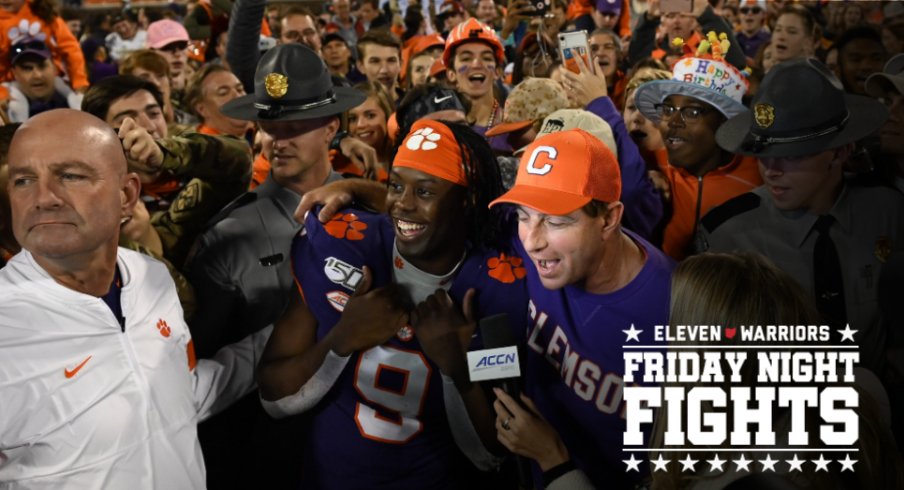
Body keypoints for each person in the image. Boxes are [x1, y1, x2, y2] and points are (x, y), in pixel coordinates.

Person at [0, 108, 269, 488]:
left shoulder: (152, 277)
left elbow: (175, 393)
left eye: (71, 175)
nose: (44, 198)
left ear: (127, 195)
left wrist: (297, 329)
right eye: (23, 180)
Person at [259, 118, 528, 488]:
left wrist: (457, 370)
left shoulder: (498, 287)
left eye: (426, 192)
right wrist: (340, 341)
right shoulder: (341, 244)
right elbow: (272, 397)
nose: (402, 204)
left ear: (467, 201)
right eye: (396, 185)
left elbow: (494, 452)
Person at [183, 43, 365, 488]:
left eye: (295, 124)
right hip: (270, 459)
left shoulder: (373, 211)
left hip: (366, 453)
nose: (277, 140)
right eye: (269, 124)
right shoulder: (228, 236)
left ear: (331, 127)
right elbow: (202, 380)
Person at [487, 129, 675, 489]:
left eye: (556, 221)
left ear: (608, 219)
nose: (532, 240)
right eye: (524, 215)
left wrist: (553, 459)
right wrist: (354, 189)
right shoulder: (535, 245)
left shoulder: (678, 315)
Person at [700, 58, 904, 376]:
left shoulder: (887, 212)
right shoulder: (727, 236)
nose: (772, 170)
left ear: (840, 152)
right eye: (763, 155)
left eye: (793, 155)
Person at [81, 75, 252, 269]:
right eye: (127, 120)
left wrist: (164, 153)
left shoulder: (194, 164)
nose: (148, 127)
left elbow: (240, 157)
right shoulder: (113, 208)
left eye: (154, 114)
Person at [634, 36, 762, 260]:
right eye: (667, 109)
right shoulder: (647, 163)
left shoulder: (762, 177)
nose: (673, 121)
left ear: (725, 122)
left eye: (692, 112)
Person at [4, 37, 82, 122]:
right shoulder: (5, 114)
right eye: (27, 68)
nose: (37, 75)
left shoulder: (79, 105)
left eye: (42, 66)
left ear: (55, 67)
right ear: (14, 73)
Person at [184, 63, 253, 139]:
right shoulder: (199, 148)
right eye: (223, 93)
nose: (238, 96)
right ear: (202, 109)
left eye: (239, 89)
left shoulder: (261, 134)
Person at [356, 29, 403, 102]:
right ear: (361, 66)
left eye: (391, 61)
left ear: (400, 64)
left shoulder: (415, 106)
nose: (384, 70)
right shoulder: (349, 108)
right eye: (375, 61)